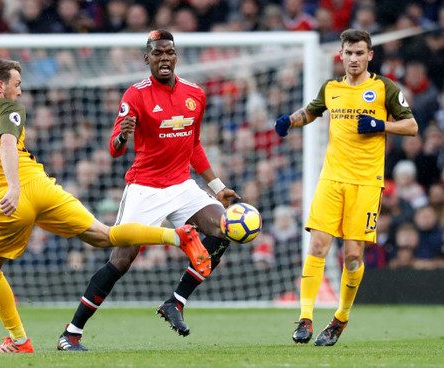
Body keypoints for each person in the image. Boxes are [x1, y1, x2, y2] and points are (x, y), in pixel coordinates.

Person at [0, 58, 212, 354]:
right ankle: (177, 236)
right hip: (40, 186)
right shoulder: (8, 108)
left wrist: (7, 186)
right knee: (103, 235)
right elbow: (8, 143)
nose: (20, 92)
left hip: (9, 199)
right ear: (0, 87)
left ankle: (19, 341)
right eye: (17, 85)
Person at [58, 30, 240, 351]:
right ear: (147, 58)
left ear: (176, 55)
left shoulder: (195, 93)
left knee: (225, 228)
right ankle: (71, 333)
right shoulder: (135, 95)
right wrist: (122, 137)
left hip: (183, 185)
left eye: (169, 52)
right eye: (157, 53)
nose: (164, 58)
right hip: (145, 187)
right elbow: (115, 149)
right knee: (122, 258)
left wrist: (218, 187)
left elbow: (193, 145)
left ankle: (176, 302)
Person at [274, 29, 417, 346]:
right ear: (341, 55)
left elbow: (411, 125)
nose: (353, 58)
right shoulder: (332, 88)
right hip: (332, 178)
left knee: (352, 256)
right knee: (317, 247)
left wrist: (381, 124)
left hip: (366, 182)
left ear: (369, 55)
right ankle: (306, 318)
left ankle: (340, 318)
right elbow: (311, 111)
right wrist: (290, 121)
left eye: (359, 53)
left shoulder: (384, 88)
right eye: (348, 53)